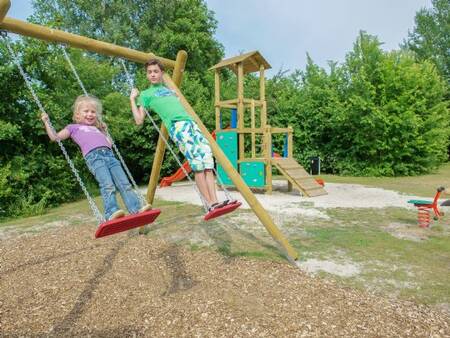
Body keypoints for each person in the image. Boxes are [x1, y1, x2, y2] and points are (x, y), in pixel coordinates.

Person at [129, 59, 230, 212]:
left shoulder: (170, 89)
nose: (153, 74)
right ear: (147, 75)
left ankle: (216, 201)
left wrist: (175, 95)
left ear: (162, 73)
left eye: (156, 71)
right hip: (177, 126)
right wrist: (132, 98)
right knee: (197, 165)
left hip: (191, 124)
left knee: (208, 164)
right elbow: (138, 120)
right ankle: (209, 204)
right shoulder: (145, 94)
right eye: (149, 72)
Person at [41, 94, 151, 221]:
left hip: (110, 156)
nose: (90, 114)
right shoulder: (73, 128)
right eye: (86, 111)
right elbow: (55, 137)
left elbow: (109, 144)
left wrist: (105, 131)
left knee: (125, 184)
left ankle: (136, 209)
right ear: (77, 114)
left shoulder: (96, 129)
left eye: (93, 112)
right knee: (108, 185)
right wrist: (46, 122)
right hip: (95, 158)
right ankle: (111, 212)